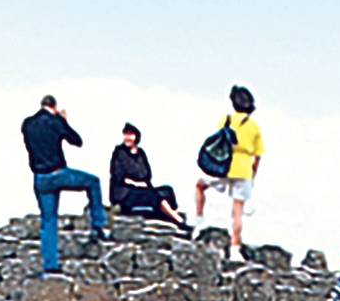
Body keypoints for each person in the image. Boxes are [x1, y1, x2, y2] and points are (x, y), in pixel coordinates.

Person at [21, 95, 107, 275]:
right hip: (58, 173)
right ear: (54, 106)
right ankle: (99, 224)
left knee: (48, 221)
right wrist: (63, 120)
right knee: (93, 182)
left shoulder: (27, 124)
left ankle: (50, 266)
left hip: (40, 178)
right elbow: (77, 141)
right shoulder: (55, 122)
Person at [194, 85, 265, 256]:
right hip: (243, 169)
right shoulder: (254, 127)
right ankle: (235, 247)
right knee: (238, 210)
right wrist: (253, 176)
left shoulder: (226, 120)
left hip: (222, 167)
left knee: (200, 186)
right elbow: (258, 156)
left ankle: (199, 221)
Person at [109, 124, 189, 232]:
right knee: (154, 196)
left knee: (167, 190)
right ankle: (179, 221)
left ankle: (167, 213)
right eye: (126, 135)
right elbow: (119, 175)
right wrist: (136, 183)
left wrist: (143, 182)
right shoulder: (119, 152)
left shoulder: (141, 153)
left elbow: (147, 174)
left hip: (142, 189)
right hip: (124, 193)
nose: (127, 138)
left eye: (130, 135)